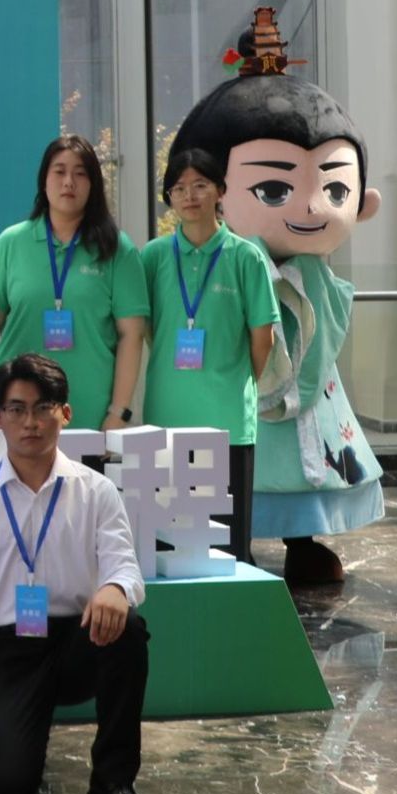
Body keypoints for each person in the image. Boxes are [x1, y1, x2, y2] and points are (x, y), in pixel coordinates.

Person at [165, 9, 386, 585]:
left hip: (303, 385)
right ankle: (233, 537)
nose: (310, 207)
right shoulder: (202, 258)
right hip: (223, 381)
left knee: (300, 453)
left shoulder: (314, 277)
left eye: (334, 188)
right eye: (272, 188)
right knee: (235, 462)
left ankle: (301, 538)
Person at [0, 353, 150, 794]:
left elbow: (124, 565)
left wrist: (115, 588)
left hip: (78, 638)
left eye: (43, 408)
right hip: (12, 649)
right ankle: (16, 738)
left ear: (66, 413)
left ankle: (113, 785)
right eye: (16, 409)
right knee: (6, 791)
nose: (31, 422)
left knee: (127, 629)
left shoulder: (96, 490)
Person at [139, 148, 279, 563]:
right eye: (179, 188)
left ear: (220, 190)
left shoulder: (246, 256)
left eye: (200, 185)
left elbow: (263, 337)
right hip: (165, 417)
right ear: (169, 197)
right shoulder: (153, 257)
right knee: (168, 545)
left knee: (227, 549)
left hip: (227, 422)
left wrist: (234, 379)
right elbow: (145, 327)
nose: (190, 196)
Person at [0, 136, 148, 432]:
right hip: (16, 415)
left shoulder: (116, 248)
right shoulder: (12, 242)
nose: (69, 182)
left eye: (80, 173)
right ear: (44, 180)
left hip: (91, 414)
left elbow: (132, 335)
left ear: (93, 184)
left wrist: (118, 411)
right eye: (59, 171)